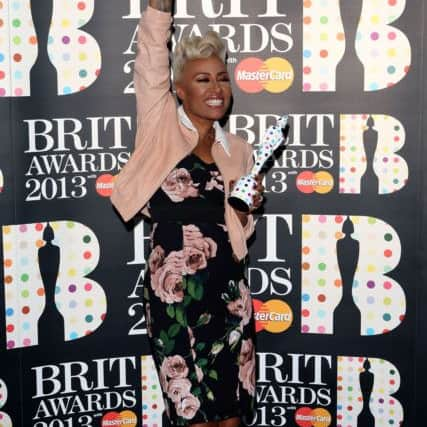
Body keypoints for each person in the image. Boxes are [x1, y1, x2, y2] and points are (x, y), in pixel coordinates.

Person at [111, 1, 264, 426]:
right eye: (202, 79)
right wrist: (157, 15)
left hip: (229, 293)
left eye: (221, 78)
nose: (216, 88)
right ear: (180, 88)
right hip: (173, 293)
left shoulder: (239, 152)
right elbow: (150, 68)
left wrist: (247, 207)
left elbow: (240, 231)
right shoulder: (159, 126)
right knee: (192, 414)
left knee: (231, 414)